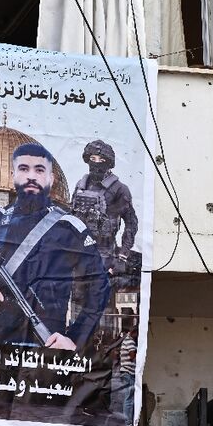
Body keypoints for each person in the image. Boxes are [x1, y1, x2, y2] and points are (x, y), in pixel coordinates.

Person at [0, 143, 110, 350]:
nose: (31, 177)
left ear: (51, 179)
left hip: (44, 346)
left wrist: (75, 338)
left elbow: (99, 287)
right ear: (13, 175)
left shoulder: (70, 228)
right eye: (23, 169)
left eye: (39, 170)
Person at [71, 140, 140, 334]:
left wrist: (122, 256)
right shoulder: (80, 185)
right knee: (77, 303)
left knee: (102, 307)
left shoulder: (119, 189)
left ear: (108, 162)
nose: (95, 162)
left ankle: (104, 348)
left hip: (105, 255)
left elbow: (131, 223)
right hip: (80, 255)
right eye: (92, 158)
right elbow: (72, 218)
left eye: (100, 159)